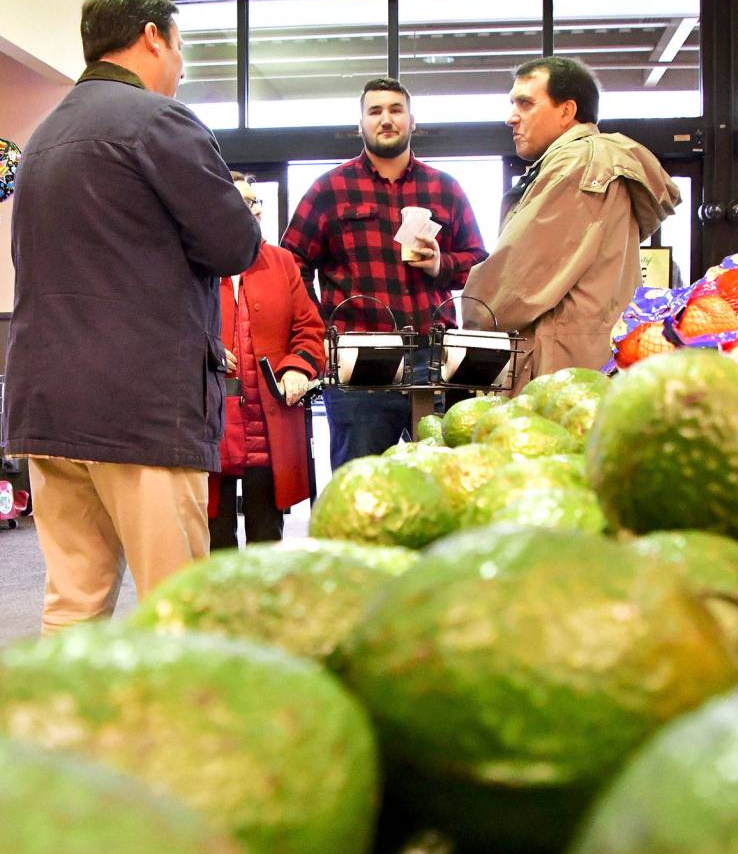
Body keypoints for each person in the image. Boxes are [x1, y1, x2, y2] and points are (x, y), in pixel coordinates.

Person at [1, 0, 262, 633]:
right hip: (139, 409)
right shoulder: (158, 120)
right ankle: (180, 735)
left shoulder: (44, 138)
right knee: (178, 609)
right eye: (180, 47)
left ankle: (67, 734)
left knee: (74, 604)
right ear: (153, 36)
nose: (180, 64)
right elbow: (234, 245)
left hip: (47, 403)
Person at [281, 77, 488, 470]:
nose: (386, 119)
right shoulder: (330, 189)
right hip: (360, 358)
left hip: (437, 356)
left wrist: (442, 264)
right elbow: (290, 265)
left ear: (412, 121)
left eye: (395, 110)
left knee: (446, 480)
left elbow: (479, 262)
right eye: (375, 111)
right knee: (363, 483)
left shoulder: (446, 189)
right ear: (360, 123)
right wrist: (318, 330)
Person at [464, 56, 681, 386]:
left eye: (525, 103)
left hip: (560, 369)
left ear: (566, 111)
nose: (511, 117)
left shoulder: (577, 165)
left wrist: (473, 315)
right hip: (587, 363)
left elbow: (516, 278)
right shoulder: (597, 162)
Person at [207, 173, 325, 549]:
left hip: (270, 427)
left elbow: (309, 328)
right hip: (212, 427)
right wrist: (201, 346)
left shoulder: (282, 262)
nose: (254, 209)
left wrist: (297, 365)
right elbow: (168, 328)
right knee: (215, 542)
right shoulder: (194, 262)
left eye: (255, 202)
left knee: (266, 541)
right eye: (244, 201)